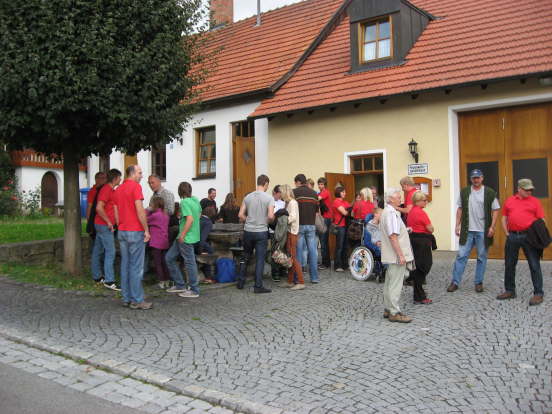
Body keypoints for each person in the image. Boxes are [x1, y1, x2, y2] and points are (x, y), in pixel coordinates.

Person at [447, 169, 500, 293]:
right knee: (461, 256)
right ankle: (455, 282)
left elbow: (496, 209)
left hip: (483, 231)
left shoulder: (489, 192)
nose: (476, 180)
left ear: (482, 178)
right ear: (471, 179)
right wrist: (457, 225)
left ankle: (478, 282)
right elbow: (460, 209)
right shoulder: (465, 192)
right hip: (467, 231)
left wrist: (492, 226)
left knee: (482, 257)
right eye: (474, 178)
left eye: (478, 177)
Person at [497, 179, 546, 306]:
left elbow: (542, 220)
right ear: (519, 189)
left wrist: (541, 236)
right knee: (509, 264)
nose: (529, 191)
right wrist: (507, 233)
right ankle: (510, 290)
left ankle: (538, 293)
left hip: (529, 237)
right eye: (526, 189)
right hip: (513, 235)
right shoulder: (510, 201)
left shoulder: (535, 201)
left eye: (531, 189)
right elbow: (504, 218)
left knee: (534, 264)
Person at [115, 165, 152, 310]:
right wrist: (146, 230)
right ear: (132, 174)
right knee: (136, 267)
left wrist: (120, 226)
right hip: (135, 231)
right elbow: (140, 210)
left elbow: (116, 212)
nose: (142, 175)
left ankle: (126, 297)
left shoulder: (118, 189)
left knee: (125, 265)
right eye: (140, 173)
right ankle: (137, 299)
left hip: (122, 230)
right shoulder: (135, 187)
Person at [380, 188, 414, 323]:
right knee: (395, 284)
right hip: (395, 255)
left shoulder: (386, 212)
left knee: (389, 282)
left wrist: (405, 230)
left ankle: (388, 309)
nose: (401, 199)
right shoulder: (391, 214)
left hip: (390, 254)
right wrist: (401, 255)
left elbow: (393, 233)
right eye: (398, 197)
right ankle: (394, 312)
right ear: (390, 199)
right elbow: (393, 236)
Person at [237, 174, 275, 293]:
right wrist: (268, 220)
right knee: (260, 259)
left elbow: (240, 215)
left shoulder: (247, 197)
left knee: (246, 255)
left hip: (248, 231)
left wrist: (249, 219)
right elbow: (270, 216)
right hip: (261, 231)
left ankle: (240, 282)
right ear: (266, 184)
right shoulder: (269, 198)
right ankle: (258, 286)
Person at [165, 182, 202, 298]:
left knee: (190, 262)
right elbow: (199, 215)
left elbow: (190, 220)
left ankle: (194, 290)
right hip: (190, 236)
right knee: (169, 258)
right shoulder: (195, 200)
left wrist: (182, 234)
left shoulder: (184, 202)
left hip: (185, 237)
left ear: (180, 192)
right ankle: (180, 285)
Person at [91, 169, 122, 290]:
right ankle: (109, 281)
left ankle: (97, 276)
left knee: (98, 250)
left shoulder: (110, 190)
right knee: (111, 252)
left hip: (101, 225)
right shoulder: (106, 189)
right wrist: (109, 222)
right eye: (119, 177)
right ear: (115, 178)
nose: (120, 179)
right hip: (104, 226)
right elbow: (99, 208)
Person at [407, 191, 434, 305]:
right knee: (424, 266)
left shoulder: (411, 211)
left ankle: (418, 293)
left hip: (413, 240)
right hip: (422, 241)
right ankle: (419, 296)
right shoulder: (421, 213)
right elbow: (430, 228)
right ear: (418, 201)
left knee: (418, 266)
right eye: (424, 200)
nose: (426, 202)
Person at [293, 174, 320, 283]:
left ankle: (299, 278)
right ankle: (314, 278)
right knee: (313, 251)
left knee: (299, 251)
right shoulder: (314, 193)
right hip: (311, 225)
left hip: (299, 225)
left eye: (295, 182)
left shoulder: (294, 192)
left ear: (298, 182)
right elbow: (317, 210)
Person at [281, 184, 304, 290]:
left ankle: (301, 281)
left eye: (281, 192)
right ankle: (290, 281)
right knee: (290, 257)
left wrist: (283, 221)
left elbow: (292, 217)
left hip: (292, 233)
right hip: (290, 232)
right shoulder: (289, 203)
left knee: (293, 258)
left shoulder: (292, 203)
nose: (281, 194)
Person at [146, 196, 170, 289]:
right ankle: (167, 280)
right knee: (164, 262)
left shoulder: (155, 215)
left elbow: (144, 219)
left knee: (157, 262)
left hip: (156, 242)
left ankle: (161, 281)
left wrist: (148, 210)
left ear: (155, 204)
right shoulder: (165, 215)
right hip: (164, 241)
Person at [332, 186, 350, 272]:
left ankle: (345, 265)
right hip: (339, 227)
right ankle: (337, 266)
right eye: (343, 192)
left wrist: (349, 210)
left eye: (345, 192)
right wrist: (348, 210)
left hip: (345, 226)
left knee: (345, 246)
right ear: (338, 193)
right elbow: (345, 213)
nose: (345, 193)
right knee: (339, 247)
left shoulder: (345, 202)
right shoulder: (336, 202)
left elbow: (350, 210)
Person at [271, 185, 287, 282]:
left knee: (283, 251)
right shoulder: (271, 202)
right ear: (276, 193)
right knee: (275, 251)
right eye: (279, 194)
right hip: (273, 230)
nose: (280, 195)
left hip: (283, 231)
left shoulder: (283, 202)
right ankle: (275, 272)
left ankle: (282, 270)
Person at [317, 177, 333, 270]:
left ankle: (325, 263)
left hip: (326, 218)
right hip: (323, 218)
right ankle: (326, 262)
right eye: (319, 184)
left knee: (323, 241)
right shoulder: (320, 192)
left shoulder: (325, 192)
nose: (320, 186)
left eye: (322, 184)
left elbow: (317, 199)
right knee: (324, 241)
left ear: (325, 185)